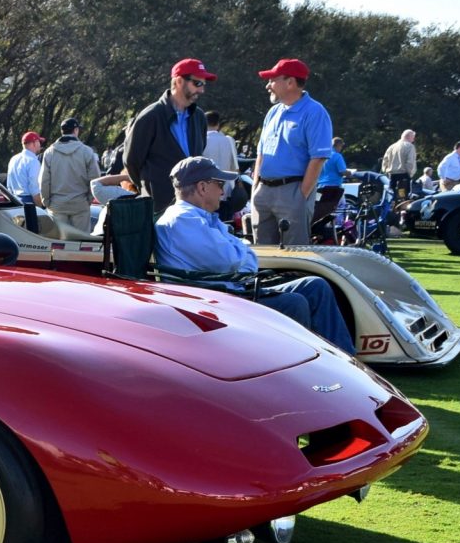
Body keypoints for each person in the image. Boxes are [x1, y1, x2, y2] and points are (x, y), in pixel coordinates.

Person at [155, 157, 354, 353]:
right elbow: (232, 262)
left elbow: (242, 257)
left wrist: (243, 254)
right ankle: (300, 369)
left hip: (227, 289)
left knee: (315, 286)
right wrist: (244, 254)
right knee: (294, 303)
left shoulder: (199, 217)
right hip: (213, 299)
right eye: (219, 183)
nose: (223, 191)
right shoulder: (184, 220)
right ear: (202, 187)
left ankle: (344, 359)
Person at [251, 58, 333, 245]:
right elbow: (261, 154)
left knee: (294, 254)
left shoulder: (315, 112)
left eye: (272, 80)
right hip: (264, 192)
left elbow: (318, 158)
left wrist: (300, 196)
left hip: (292, 190)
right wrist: (256, 190)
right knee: (263, 255)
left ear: (290, 82)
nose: (268, 86)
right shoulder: (273, 112)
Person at [124, 57, 214, 212]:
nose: (201, 90)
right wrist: (152, 189)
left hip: (193, 206)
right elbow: (132, 161)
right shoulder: (150, 116)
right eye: (197, 83)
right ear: (179, 81)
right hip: (160, 207)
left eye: (203, 85)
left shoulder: (199, 117)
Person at [40, 117, 100, 230]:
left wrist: (47, 202)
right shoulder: (86, 151)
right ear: (76, 130)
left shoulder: (49, 152)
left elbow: (44, 180)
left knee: (59, 243)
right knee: (81, 243)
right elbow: (95, 178)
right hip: (80, 204)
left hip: (57, 205)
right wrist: (89, 199)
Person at [313, 137, 349, 228]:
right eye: (341, 146)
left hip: (320, 187)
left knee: (322, 208)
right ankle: (339, 226)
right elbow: (342, 171)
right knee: (341, 207)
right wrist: (351, 173)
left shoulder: (323, 156)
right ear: (338, 145)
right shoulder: (337, 156)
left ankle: (322, 225)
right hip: (334, 188)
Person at [380, 129, 417, 199]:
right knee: (403, 198)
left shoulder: (391, 147)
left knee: (393, 197)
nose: (413, 140)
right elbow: (410, 162)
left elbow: (385, 161)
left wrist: (385, 171)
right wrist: (410, 174)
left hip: (392, 176)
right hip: (403, 176)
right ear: (409, 137)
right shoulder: (410, 146)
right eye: (413, 138)